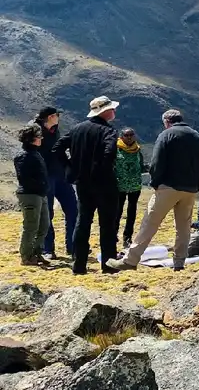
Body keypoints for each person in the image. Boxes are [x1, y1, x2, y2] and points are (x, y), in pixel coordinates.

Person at [107, 109, 199, 272]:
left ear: (167, 122)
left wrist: (155, 182)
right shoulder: (197, 136)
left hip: (168, 187)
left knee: (150, 223)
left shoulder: (166, 135)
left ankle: (130, 260)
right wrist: (198, 185)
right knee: (183, 227)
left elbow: (157, 162)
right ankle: (179, 262)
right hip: (190, 189)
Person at [53, 96, 120, 274]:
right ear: (105, 111)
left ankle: (79, 264)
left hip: (82, 182)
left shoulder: (76, 129)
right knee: (107, 224)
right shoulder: (108, 131)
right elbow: (110, 152)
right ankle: (108, 265)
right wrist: (103, 169)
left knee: (83, 222)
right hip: (105, 183)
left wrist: (70, 167)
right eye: (112, 109)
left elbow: (57, 148)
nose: (114, 111)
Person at [34, 106, 77, 259]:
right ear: (51, 116)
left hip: (61, 176)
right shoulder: (35, 131)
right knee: (47, 214)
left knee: (73, 209)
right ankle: (48, 249)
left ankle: (73, 246)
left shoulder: (55, 130)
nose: (59, 117)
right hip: (46, 177)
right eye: (57, 115)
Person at [14, 124, 50, 267]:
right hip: (30, 194)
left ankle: (36, 252)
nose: (41, 138)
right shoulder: (23, 156)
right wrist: (39, 185)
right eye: (38, 136)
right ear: (31, 139)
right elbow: (25, 177)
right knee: (31, 226)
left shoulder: (35, 153)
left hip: (40, 194)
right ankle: (26, 256)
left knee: (44, 225)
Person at [114, 128, 146, 249]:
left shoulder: (138, 150)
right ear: (121, 137)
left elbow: (141, 166)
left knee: (131, 213)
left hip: (135, 186)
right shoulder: (116, 149)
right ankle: (113, 234)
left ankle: (127, 237)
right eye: (126, 135)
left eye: (131, 135)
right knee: (117, 211)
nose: (129, 137)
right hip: (119, 186)